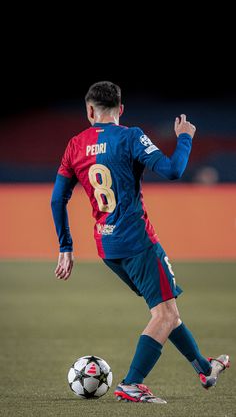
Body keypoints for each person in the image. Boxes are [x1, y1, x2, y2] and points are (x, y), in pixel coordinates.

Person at [51, 81, 230, 404]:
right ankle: (131, 383)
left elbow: (56, 200)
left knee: (165, 310)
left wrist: (65, 247)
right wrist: (185, 137)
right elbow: (174, 170)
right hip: (137, 241)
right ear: (121, 109)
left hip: (107, 247)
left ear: (89, 111)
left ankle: (205, 368)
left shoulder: (75, 145)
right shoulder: (130, 136)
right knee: (163, 314)